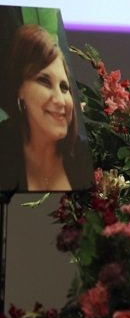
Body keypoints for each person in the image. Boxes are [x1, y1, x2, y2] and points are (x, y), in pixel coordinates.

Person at [0, 23, 90, 192]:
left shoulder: (83, 156)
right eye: (44, 81)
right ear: (20, 89)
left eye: (64, 87)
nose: (60, 100)